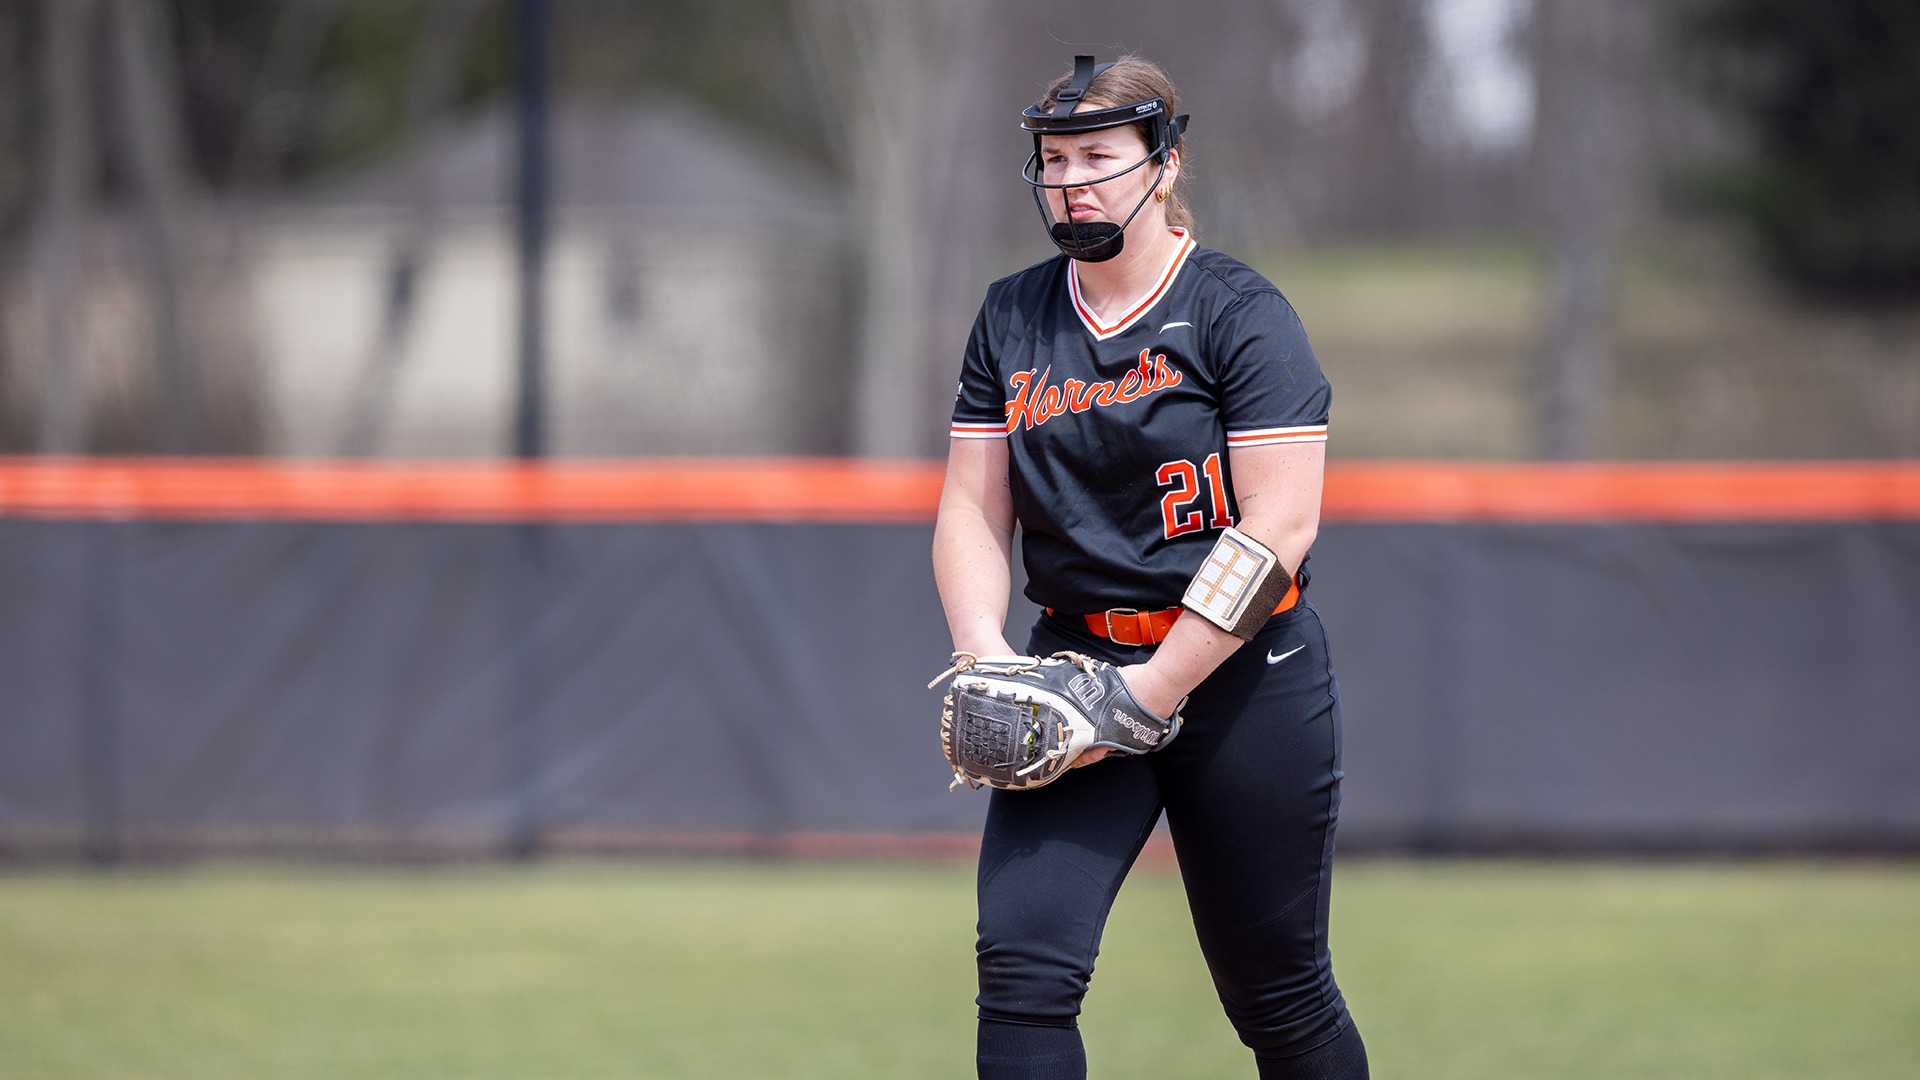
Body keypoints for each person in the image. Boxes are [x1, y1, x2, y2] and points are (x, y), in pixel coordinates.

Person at [931, 54, 1369, 1079]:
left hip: (1240, 682)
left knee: (1280, 992)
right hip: (1074, 672)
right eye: (1053, 159)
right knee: (1024, 974)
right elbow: (969, 505)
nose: (1072, 180)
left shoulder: (1240, 314)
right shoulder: (1012, 317)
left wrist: (1151, 692)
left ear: (1164, 164)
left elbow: (1278, 530)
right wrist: (985, 654)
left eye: (1099, 156)